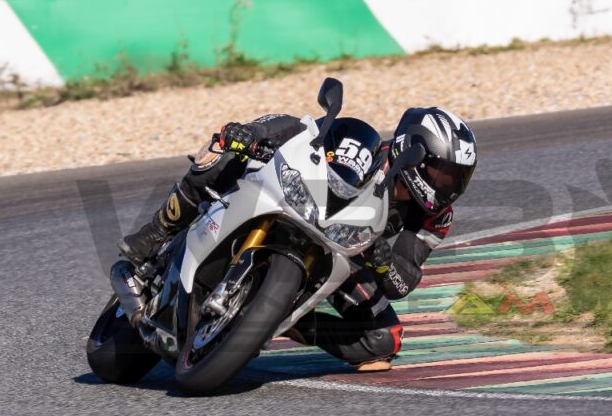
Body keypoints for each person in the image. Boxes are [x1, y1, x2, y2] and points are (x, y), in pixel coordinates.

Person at [118, 108, 477, 371]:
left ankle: (274, 320)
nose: (449, 186)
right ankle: (156, 233)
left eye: (457, 178)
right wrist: (253, 134)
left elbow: (403, 280)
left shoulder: (436, 217)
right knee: (225, 152)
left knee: (385, 339)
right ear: (412, 151)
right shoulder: (363, 148)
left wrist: (382, 261)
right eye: (443, 174)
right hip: (296, 203)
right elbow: (301, 131)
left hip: (344, 254)